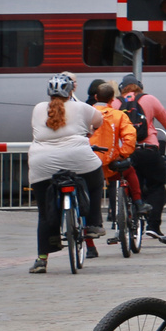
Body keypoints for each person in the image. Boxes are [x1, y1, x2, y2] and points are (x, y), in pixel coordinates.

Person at [27, 74, 105, 274]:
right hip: (79, 160)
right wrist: (89, 129)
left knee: (44, 213)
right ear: (71, 90)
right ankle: (94, 223)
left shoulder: (37, 109)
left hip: (42, 164)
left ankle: (42, 259)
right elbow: (99, 122)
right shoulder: (83, 107)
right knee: (96, 182)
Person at [119, 76, 166, 234]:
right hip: (149, 149)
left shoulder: (115, 102)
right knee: (156, 186)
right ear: (140, 87)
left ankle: (131, 220)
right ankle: (153, 226)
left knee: (132, 184)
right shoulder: (149, 99)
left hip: (127, 151)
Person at [88, 81, 139, 259]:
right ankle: (139, 203)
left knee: (87, 197)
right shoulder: (118, 115)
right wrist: (122, 155)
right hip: (111, 163)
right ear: (112, 99)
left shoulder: (87, 113)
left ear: (95, 97)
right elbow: (130, 136)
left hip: (89, 162)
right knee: (130, 172)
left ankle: (90, 246)